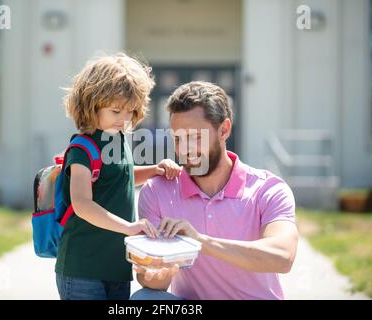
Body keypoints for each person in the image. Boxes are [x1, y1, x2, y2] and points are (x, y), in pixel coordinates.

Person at [132, 81, 298, 300]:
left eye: (195, 137)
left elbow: (283, 256)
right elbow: (154, 282)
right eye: (179, 139)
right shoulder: (156, 191)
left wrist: (199, 241)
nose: (185, 149)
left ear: (224, 129)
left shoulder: (267, 189)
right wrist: (156, 272)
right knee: (146, 298)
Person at [55, 53, 182, 300]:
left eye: (130, 111)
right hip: (83, 269)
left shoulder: (118, 137)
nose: (124, 119)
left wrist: (155, 169)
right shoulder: (81, 148)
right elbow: (82, 204)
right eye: (115, 111)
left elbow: (119, 178)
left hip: (117, 268)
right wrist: (129, 227)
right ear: (91, 104)